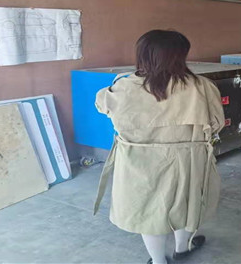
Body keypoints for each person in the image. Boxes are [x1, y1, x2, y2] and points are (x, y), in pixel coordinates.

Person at [93, 30, 224, 264]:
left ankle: (158, 261)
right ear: (180, 55)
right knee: (187, 203)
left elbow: (102, 105)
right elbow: (217, 123)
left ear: (142, 55)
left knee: (148, 213)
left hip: (139, 161)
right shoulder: (202, 86)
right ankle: (182, 249)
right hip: (189, 160)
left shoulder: (123, 87)